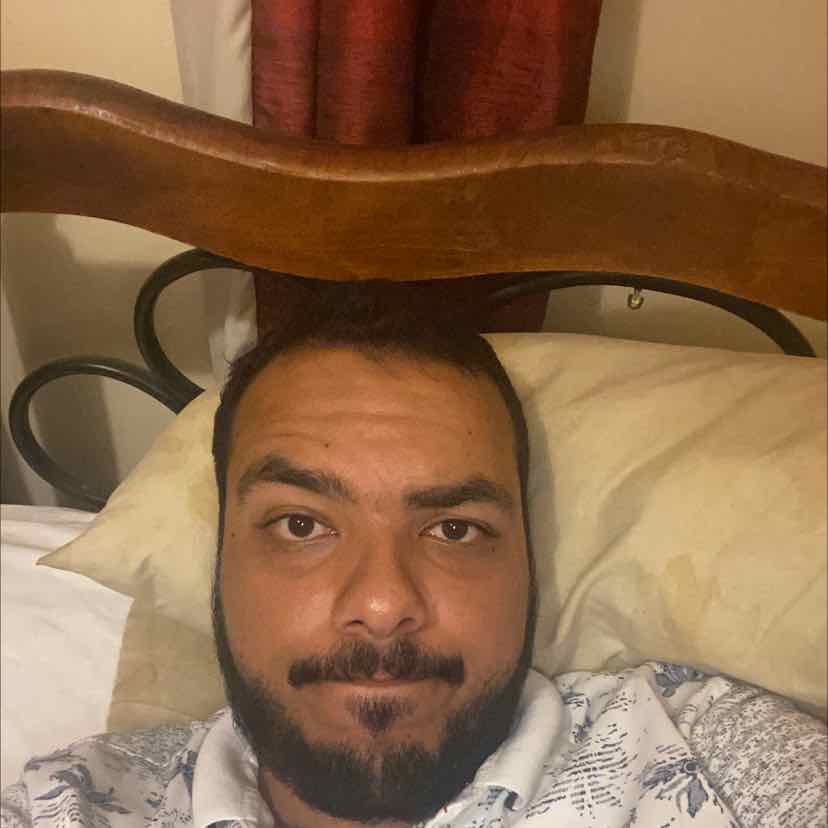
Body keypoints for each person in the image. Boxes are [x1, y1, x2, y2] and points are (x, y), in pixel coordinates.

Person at [2, 285, 825, 828]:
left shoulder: (717, 758)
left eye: (454, 529)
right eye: (301, 525)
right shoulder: (67, 805)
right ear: (217, 562)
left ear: (529, 561)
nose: (384, 601)